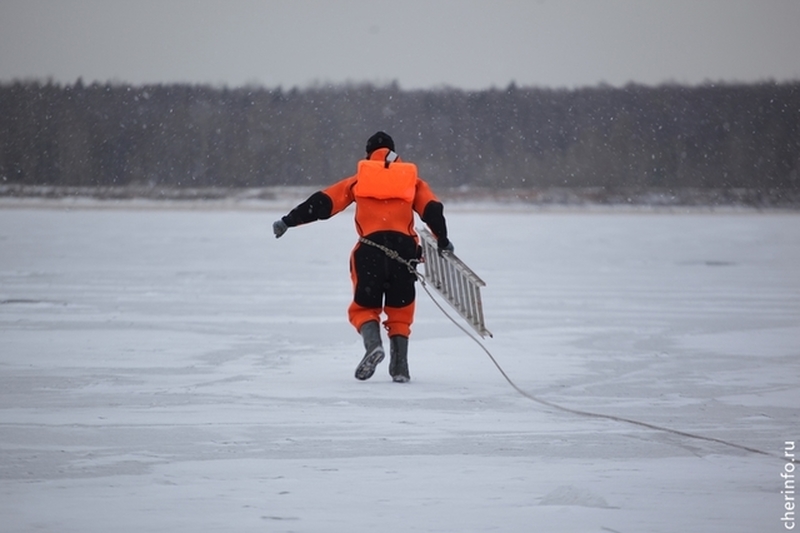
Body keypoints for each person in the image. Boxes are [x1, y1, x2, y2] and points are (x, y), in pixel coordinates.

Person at [272, 131, 453, 383]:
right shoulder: (412, 180)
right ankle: (400, 367)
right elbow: (432, 209)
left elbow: (323, 203)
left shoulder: (360, 180)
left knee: (364, 307)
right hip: (404, 253)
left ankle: (373, 345)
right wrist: (442, 239)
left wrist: (288, 221)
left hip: (370, 250)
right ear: (394, 152)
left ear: (369, 154)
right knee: (400, 311)